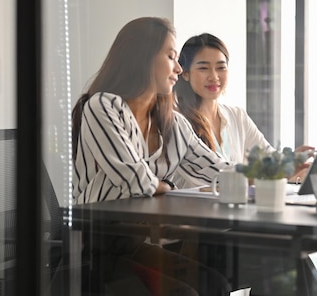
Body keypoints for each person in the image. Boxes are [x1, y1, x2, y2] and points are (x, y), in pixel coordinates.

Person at [71, 17, 232, 296]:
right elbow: (135, 180)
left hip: (135, 242)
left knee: (214, 285)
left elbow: (218, 170)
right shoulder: (102, 106)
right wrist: (166, 186)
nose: (179, 68)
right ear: (143, 58)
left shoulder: (173, 123)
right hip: (95, 246)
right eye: (171, 57)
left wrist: (273, 173)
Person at [172, 32, 314, 188]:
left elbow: (267, 157)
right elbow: (217, 174)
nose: (214, 76)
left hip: (232, 209)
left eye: (221, 68)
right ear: (185, 73)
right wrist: (282, 169)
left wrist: (293, 165)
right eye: (203, 68)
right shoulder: (177, 122)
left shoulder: (237, 116)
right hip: (193, 210)